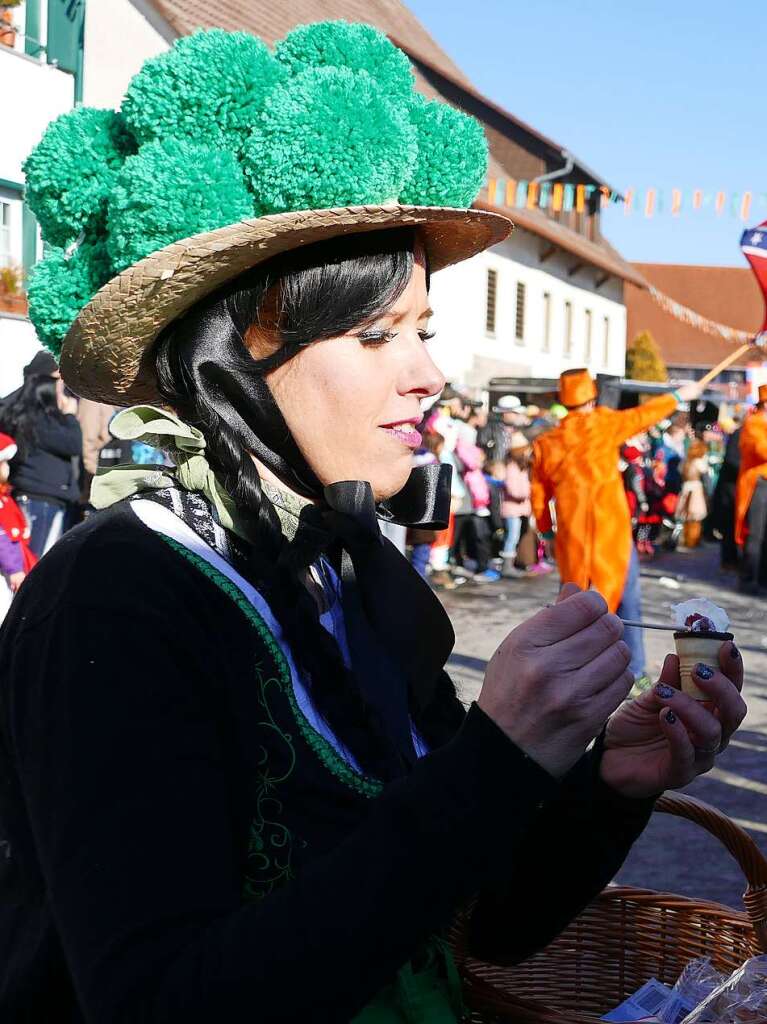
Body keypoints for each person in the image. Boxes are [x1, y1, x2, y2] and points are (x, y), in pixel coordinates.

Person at [0, 24, 746, 1022]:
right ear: (236, 357)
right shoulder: (115, 598)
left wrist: (609, 782)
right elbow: (158, 1001)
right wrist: (494, 758)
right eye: (376, 334)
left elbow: (484, 920)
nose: (429, 374)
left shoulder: (342, 574)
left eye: (422, 331)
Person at [531, 368, 704, 683]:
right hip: (613, 532)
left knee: (573, 604)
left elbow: (539, 495)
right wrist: (678, 396)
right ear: (592, 398)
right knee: (627, 601)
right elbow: (642, 415)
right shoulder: (604, 424)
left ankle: (572, 669)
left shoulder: (547, 443)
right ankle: (634, 673)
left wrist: (546, 533)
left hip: (572, 537)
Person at [0, 373, 82, 555]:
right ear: (47, 393)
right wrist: (70, 416)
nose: (64, 398)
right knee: (35, 560)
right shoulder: (40, 422)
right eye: (60, 392)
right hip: (40, 500)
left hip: (42, 498)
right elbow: (74, 444)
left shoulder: (29, 418)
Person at [0, 433, 36, 622]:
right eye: (4, 463)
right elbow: (2, 539)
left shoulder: (5, 498)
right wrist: (14, 569)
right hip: (6, 570)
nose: (7, 468)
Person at [735, 385, 767, 592]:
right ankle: (748, 579)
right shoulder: (753, 423)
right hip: (758, 482)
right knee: (756, 532)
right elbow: (761, 450)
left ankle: (763, 578)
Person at [711, 421, 741, 571]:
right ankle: (729, 560)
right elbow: (732, 460)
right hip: (731, 490)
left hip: (739, 489)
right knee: (729, 526)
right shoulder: (740, 434)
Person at [501, 431, 532, 572]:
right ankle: (507, 566)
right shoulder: (512, 467)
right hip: (512, 508)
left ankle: (513, 563)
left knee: (517, 535)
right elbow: (513, 489)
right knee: (512, 536)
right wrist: (527, 493)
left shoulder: (523, 467)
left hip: (520, 508)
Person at [677, 438, 710, 550]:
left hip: (685, 488)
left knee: (686, 516)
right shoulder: (699, 462)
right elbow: (705, 478)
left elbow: (680, 473)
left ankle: (686, 539)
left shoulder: (685, 461)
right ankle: (693, 540)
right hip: (696, 489)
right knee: (695, 517)